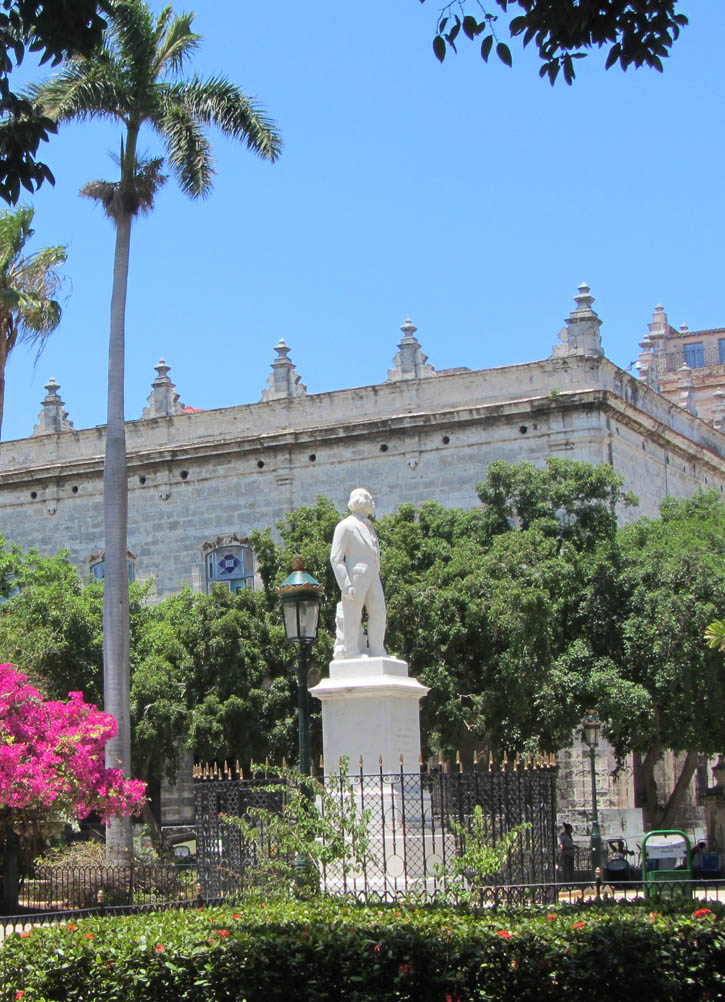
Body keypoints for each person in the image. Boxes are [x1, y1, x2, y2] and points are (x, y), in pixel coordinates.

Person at [330, 487, 387, 659]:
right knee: (353, 614)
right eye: (370, 499)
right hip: (354, 575)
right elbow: (336, 558)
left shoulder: (370, 527)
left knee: (379, 610)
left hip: (373, 575)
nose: (373, 503)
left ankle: (377, 648)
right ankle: (351, 650)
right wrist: (345, 584)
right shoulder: (345, 526)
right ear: (360, 501)